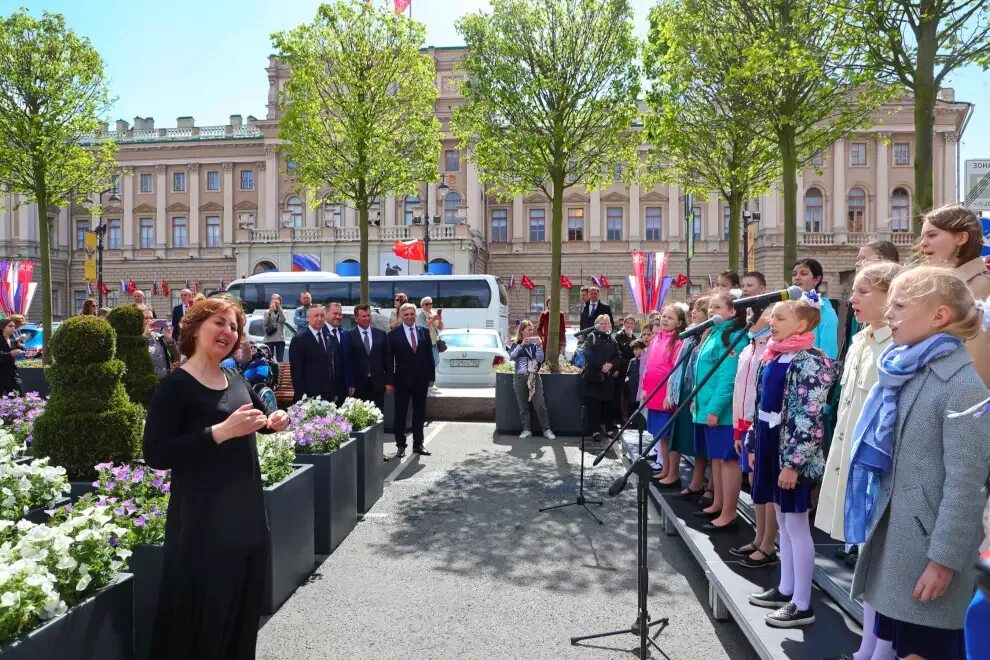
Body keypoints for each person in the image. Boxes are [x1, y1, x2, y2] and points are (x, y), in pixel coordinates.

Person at [846, 266, 989, 660]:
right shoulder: (906, 369)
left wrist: (943, 560)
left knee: (924, 650)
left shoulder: (962, 387)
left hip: (927, 553)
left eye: (899, 306)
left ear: (939, 316)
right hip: (901, 547)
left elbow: (967, 487)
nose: (888, 314)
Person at [142, 295, 289, 659]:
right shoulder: (175, 387)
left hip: (248, 519)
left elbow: (255, 416)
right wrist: (218, 432)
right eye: (219, 323)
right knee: (203, 623)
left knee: (240, 618)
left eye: (234, 326)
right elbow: (156, 454)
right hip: (203, 527)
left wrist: (276, 421)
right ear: (194, 329)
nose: (228, 332)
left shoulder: (233, 376)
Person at [812, 260, 901, 658]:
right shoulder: (863, 341)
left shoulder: (897, 347)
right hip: (850, 464)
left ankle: (880, 648)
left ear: (891, 296)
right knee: (866, 560)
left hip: (877, 472)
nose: (852, 298)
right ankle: (868, 644)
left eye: (863, 291)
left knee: (879, 563)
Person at [747, 292, 836, 628]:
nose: (772, 322)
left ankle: (802, 603)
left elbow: (808, 417)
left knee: (797, 524)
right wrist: (755, 440)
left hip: (791, 451)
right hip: (772, 444)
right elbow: (762, 405)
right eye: (773, 318)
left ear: (801, 323)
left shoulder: (810, 360)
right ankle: (786, 587)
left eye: (780, 318)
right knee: (783, 522)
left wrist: (793, 463)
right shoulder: (774, 356)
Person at [693, 291, 748, 532]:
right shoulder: (715, 334)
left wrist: (714, 408)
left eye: (718, 306)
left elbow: (727, 378)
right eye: (711, 307)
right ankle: (718, 502)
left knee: (727, 460)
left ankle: (728, 512)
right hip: (707, 406)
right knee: (716, 458)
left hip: (723, 412)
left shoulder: (732, 336)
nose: (712, 311)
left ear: (733, 311)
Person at [918, 204, 990, 387]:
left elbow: (976, 371)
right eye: (923, 236)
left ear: (962, 237)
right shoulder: (939, 286)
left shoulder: (981, 288)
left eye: (932, 235)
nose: (923, 243)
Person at [730, 304, 776, 569]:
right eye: (748, 315)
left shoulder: (769, 350)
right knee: (754, 481)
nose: (749, 319)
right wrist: (738, 426)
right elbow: (741, 389)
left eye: (755, 315)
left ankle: (769, 543)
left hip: (759, 422)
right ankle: (758, 537)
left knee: (765, 485)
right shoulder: (748, 348)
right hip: (745, 422)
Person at [669, 297, 711, 502]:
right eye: (692, 309)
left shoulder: (708, 334)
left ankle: (703, 484)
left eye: (698, 309)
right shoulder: (691, 335)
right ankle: (696, 482)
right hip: (688, 389)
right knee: (692, 438)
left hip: (701, 391)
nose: (692, 312)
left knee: (701, 440)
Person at [638, 306, 686, 483]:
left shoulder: (678, 342)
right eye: (664, 316)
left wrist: (669, 395)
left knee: (668, 436)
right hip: (653, 393)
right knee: (660, 435)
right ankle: (665, 469)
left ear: (680, 322)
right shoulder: (657, 338)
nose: (665, 320)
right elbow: (649, 366)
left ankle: (673, 472)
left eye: (670, 318)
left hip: (665, 396)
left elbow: (675, 372)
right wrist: (644, 388)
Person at [387, 302, 435, 458]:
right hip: (401, 381)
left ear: (415, 315)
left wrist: (431, 377)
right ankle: (400, 445)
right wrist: (389, 381)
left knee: (419, 413)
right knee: (400, 414)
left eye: (411, 314)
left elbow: (429, 357)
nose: (409, 317)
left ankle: (418, 444)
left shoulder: (424, 332)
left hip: (421, 380)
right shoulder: (393, 335)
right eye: (406, 314)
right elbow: (388, 361)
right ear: (401, 316)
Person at [509, 320, 555, 440]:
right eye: (528, 330)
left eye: (532, 329)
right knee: (523, 406)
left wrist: (540, 347)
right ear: (522, 331)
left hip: (534, 376)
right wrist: (521, 346)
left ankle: (546, 429)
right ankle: (526, 429)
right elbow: (512, 356)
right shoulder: (516, 344)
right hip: (520, 377)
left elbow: (540, 359)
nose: (531, 332)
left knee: (540, 403)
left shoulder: (535, 344)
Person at [345, 304, 391, 412]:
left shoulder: (381, 334)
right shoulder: (348, 336)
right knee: (359, 415)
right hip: (357, 385)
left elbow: (387, 360)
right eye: (363, 316)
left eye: (368, 315)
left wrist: (389, 382)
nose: (367, 318)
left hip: (378, 383)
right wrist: (349, 383)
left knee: (379, 414)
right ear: (356, 318)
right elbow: (347, 361)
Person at [581, 314, 620, 439]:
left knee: (608, 405)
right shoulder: (591, 337)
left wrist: (611, 365)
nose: (604, 326)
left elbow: (617, 356)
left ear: (609, 325)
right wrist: (602, 365)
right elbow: (588, 354)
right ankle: (595, 431)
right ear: (597, 325)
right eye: (602, 323)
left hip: (607, 378)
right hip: (594, 377)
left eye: (606, 323)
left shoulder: (612, 340)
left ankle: (609, 429)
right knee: (594, 406)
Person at [289, 305, 338, 404]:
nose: (319, 319)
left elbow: (332, 366)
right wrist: (301, 396)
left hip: (328, 395)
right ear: (308, 318)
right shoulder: (299, 340)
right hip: (309, 396)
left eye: (322, 316)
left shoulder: (330, 338)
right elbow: (296, 371)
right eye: (316, 316)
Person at [792, 258, 839, 359]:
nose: (797, 278)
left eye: (803, 274)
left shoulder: (824, 310)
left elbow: (829, 353)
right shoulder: (788, 307)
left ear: (816, 279)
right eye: (794, 274)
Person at [139, 304, 179, 378]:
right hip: (145, 383)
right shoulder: (136, 338)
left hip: (163, 381)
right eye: (146, 318)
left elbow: (176, 359)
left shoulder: (159, 337)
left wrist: (169, 339)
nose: (149, 321)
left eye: (151, 318)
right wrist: (145, 335)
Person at [323, 302, 348, 405]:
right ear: (326, 313)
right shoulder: (320, 334)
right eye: (335, 313)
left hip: (343, 390)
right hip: (325, 390)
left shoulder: (345, 334)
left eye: (340, 314)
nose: (338, 316)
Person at [614, 315, 638, 420]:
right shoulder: (619, 335)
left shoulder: (634, 337)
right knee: (621, 392)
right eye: (627, 323)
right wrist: (628, 338)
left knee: (629, 391)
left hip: (631, 367)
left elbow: (636, 352)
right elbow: (626, 350)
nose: (629, 325)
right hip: (621, 367)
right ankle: (621, 417)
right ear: (623, 324)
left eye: (631, 323)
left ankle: (628, 416)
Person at [416, 296, 444, 369]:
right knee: (427, 365)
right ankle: (427, 379)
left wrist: (439, 319)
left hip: (434, 343)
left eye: (430, 304)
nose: (429, 305)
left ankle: (430, 379)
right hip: (426, 344)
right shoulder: (420, 315)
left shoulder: (433, 313)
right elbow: (422, 329)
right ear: (422, 305)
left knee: (436, 363)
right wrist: (433, 319)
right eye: (426, 304)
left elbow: (440, 327)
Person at [0, 318, 24, 396]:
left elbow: (15, 351)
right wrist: (10, 354)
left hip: (12, 374)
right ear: (3, 328)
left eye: (14, 326)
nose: (13, 328)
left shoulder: (12, 340)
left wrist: (20, 347)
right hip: (1, 374)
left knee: (19, 397)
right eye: (10, 326)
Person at [262, 294, 287, 362]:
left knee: (280, 360)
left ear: (280, 301)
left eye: (276, 300)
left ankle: (279, 372)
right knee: (269, 359)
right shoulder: (267, 312)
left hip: (280, 338)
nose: (274, 301)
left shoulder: (283, 311)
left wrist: (279, 308)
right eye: (273, 299)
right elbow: (264, 324)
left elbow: (283, 320)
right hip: (269, 338)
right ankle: (271, 372)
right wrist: (269, 312)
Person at [625, 339, 646, 413]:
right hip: (632, 392)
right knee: (632, 411)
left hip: (642, 392)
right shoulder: (632, 361)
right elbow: (628, 374)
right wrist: (628, 382)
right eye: (634, 350)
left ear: (643, 349)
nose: (634, 351)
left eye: (637, 349)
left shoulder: (647, 360)